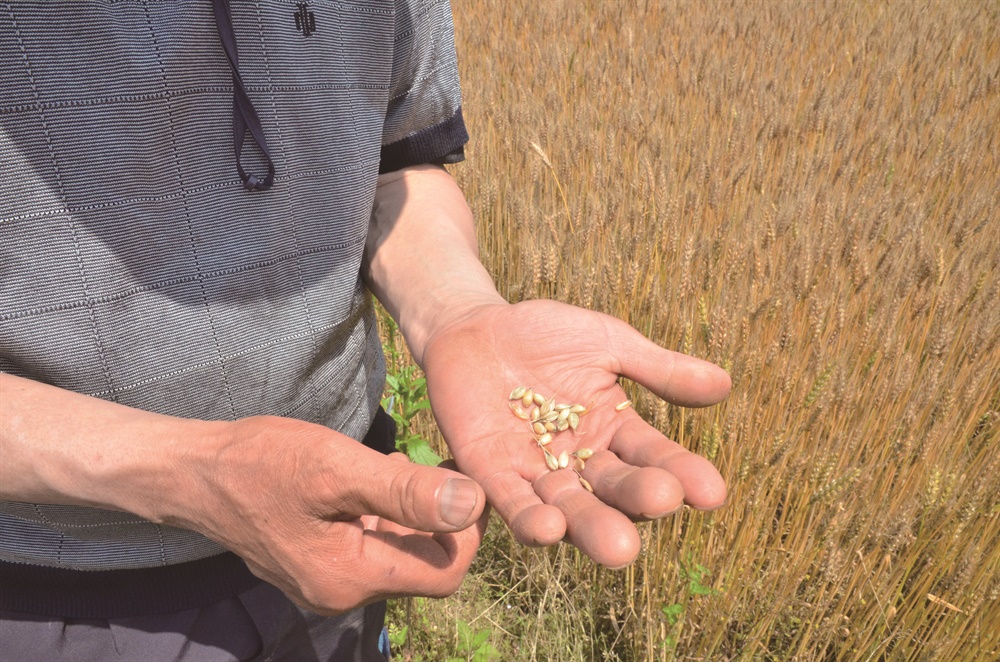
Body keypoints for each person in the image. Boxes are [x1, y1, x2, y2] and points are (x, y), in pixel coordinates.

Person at [0, 1, 731, 659]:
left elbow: (392, 163)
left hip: (346, 541)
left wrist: (457, 312)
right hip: (55, 605)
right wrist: (194, 475)